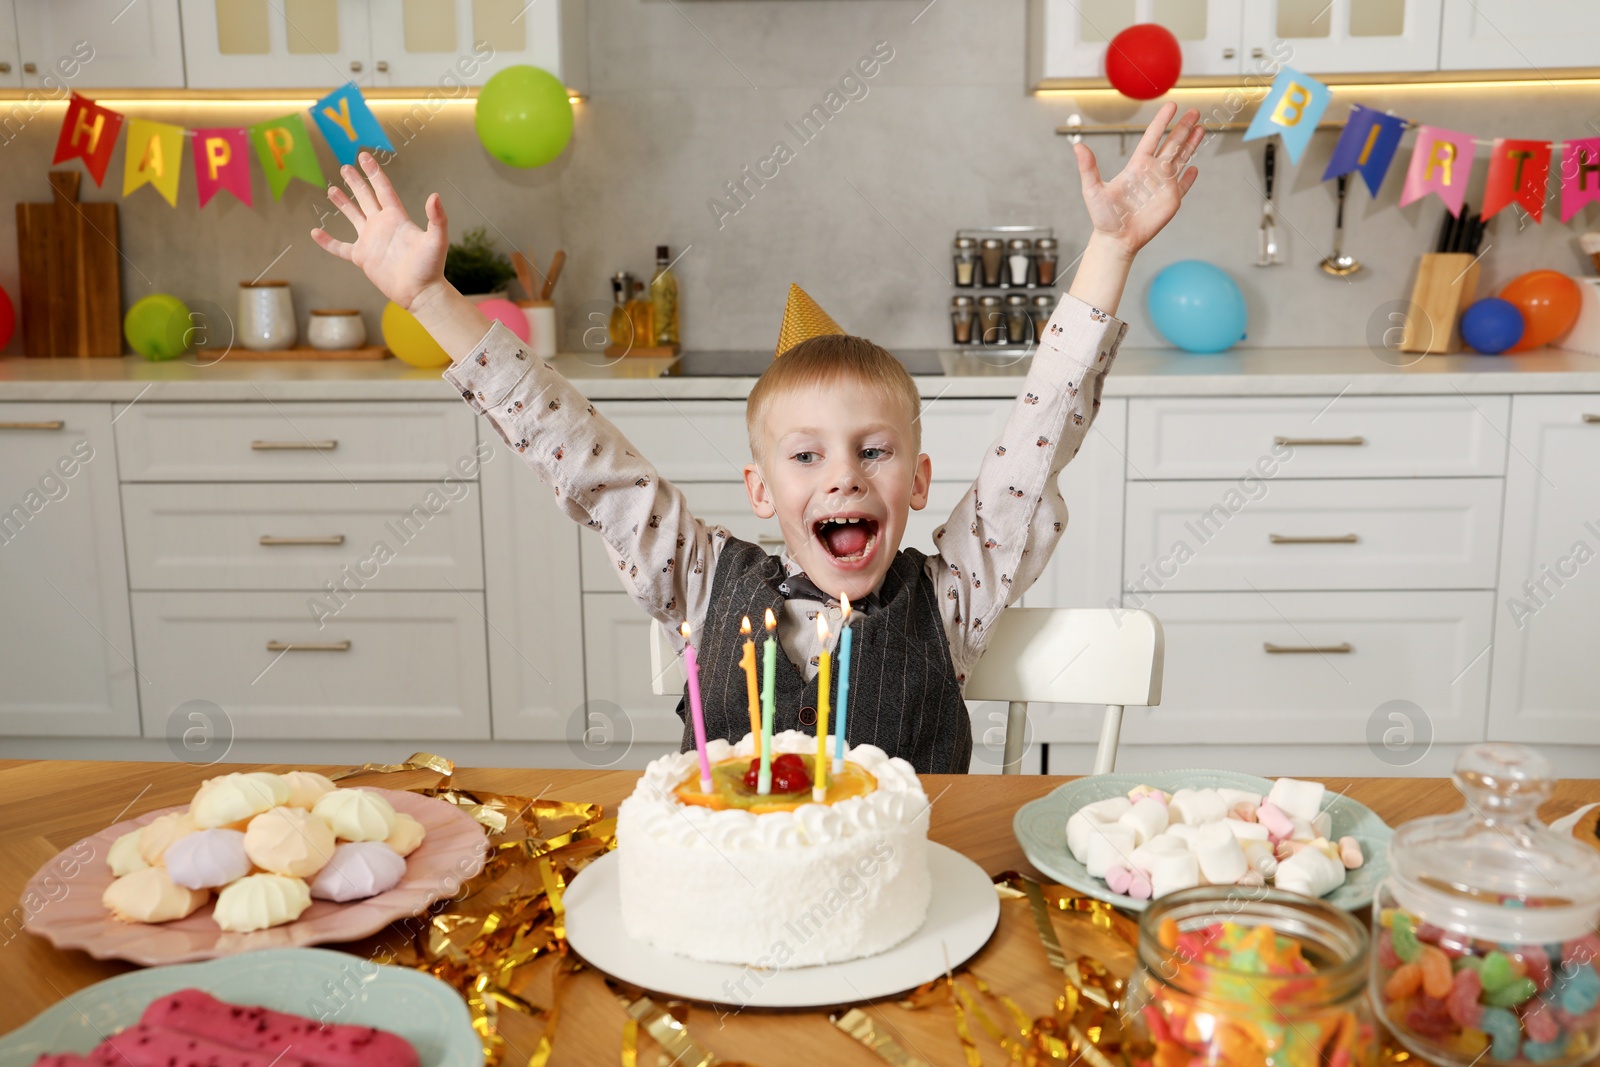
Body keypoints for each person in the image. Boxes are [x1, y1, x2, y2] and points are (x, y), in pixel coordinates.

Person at [311, 103, 1205, 774]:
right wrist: (432, 299)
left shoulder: (955, 597)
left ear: (922, 479)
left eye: (874, 450)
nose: (844, 478)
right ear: (760, 488)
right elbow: (576, 451)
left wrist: (1112, 253)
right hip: (724, 912)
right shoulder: (699, 581)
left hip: (915, 914)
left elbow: (1039, 436)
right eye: (806, 455)